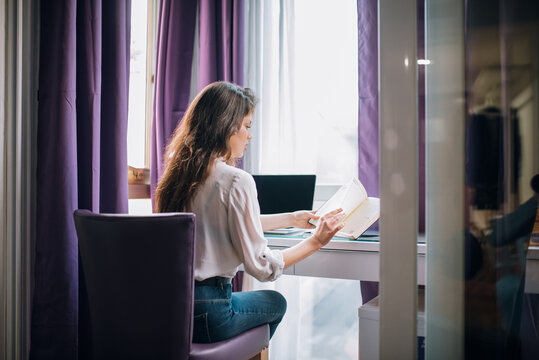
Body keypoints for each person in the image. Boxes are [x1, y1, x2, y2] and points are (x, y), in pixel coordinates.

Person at [155, 81, 345, 343]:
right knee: (275, 302)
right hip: (212, 314)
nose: (249, 135)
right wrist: (316, 241)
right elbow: (262, 267)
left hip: (172, 311)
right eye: (246, 126)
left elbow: (220, 224)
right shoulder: (235, 180)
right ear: (226, 126)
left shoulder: (179, 175)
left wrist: (292, 219)